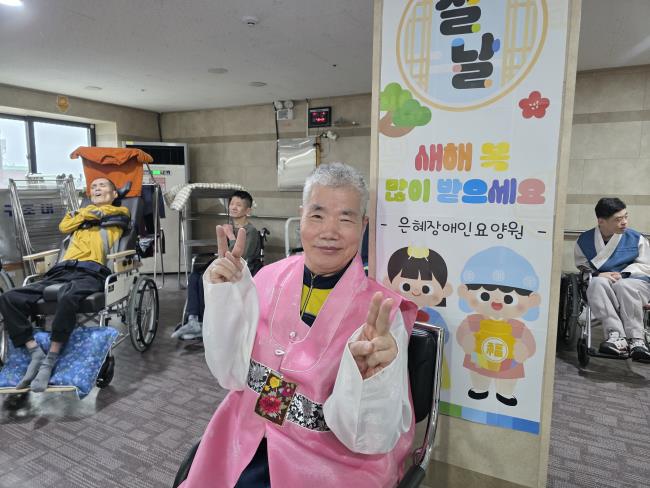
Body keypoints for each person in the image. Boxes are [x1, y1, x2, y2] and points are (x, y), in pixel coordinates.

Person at [180, 163, 417, 488]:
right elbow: (230, 374)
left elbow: (372, 436)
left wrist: (371, 378)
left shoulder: (383, 314)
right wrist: (227, 296)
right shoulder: (267, 278)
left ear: (363, 226)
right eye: (317, 215)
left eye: (345, 219)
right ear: (301, 215)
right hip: (249, 430)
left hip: (332, 460)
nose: (329, 232)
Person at [0, 177, 130, 392]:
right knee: (9, 298)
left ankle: (50, 360)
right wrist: (85, 214)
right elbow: (64, 226)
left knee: (67, 296)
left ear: (115, 194)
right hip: (61, 271)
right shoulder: (79, 216)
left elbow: (108, 215)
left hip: (91, 271)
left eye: (102, 185)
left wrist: (82, 215)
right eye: (93, 187)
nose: (96, 188)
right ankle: (34, 352)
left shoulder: (120, 212)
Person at [172, 190, 260, 341]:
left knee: (204, 280)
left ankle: (205, 322)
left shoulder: (250, 231)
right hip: (224, 267)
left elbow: (242, 258)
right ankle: (193, 320)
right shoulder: (229, 228)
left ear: (248, 211)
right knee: (195, 276)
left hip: (239, 272)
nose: (233, 207)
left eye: (238, 205)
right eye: (232, 204)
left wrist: (231, 236)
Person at [574, 197, 650, 361]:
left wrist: (624, 275)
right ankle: (616, 336)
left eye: (626, 216)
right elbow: (583, 266)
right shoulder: (584, 240)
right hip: (604, 283)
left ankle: (636, 339)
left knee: (624, 286)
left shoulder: (636, 238)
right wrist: (597, 274)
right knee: (596, 283)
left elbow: (646, 265)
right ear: (601, 221)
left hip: (634, 282)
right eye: (618, 219)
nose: (624, 222)